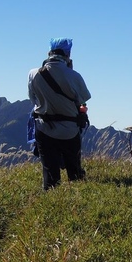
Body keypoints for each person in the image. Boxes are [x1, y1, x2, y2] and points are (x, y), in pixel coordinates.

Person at [28, 37, 91, 190]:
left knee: (50, 173)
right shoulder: (74, 76)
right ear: (67, 55)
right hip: (69, 130)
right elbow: (83, 100)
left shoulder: (33, 74)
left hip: (44, 128)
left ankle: (50, 195)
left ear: (49, 53)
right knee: (74, 173)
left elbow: (33, 99)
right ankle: (77, 195)